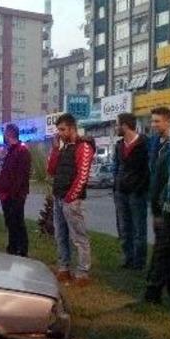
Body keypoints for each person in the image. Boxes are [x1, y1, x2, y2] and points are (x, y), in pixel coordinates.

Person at [47, 113, 96, 285]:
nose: (59, 133)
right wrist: (54, 148)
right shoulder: (63, 148)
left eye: (62, 129)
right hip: (59, 196)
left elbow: (82, 177)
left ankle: (82, 272)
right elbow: (51, 170)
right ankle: (64, 268)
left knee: (79, 237)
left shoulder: (84, 147)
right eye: (58, 130)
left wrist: (70, 197)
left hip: (71, 200)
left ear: (72, 128)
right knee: (60, 235)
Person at [143, 107, 170, 304]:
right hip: (161, 201)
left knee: (167, 248)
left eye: (157, 121)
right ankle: (154, 286)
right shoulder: (157, 143)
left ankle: (162, 287)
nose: (153, 125)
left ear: (168, 122)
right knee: (162, 247)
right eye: (152, 121)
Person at [112, 112, 149, 270]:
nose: (115, 127)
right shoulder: (119, 145)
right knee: (124, 227)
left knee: (138, 228)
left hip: (137, 193)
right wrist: (116, 186)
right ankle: (127, 257)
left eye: (117, 124)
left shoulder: (144, 143)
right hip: (121, 192)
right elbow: (116, 167)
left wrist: (140, 187)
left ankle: (139, 261)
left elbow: (148, 169)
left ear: (125, 126)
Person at [0, 123, 32, 257]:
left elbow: (21, 175)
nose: (4, 135)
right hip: (6, 194)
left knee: (17, 221)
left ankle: (22, 249)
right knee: (10, 222)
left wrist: (13, 194)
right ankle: (12, 247)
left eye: (5, 133)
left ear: (10, 134)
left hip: (15, 195)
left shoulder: (21, 151)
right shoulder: (11, 150)